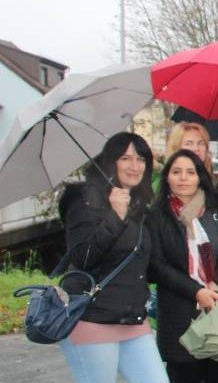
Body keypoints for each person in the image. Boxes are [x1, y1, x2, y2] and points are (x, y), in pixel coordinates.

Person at [57, 132, 168, 383]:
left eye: (141, 159)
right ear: (110, 161)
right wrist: (115, 216)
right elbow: (83, 256)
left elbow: (148, 266)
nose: (135, 166)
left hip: (132, 319)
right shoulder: (83, 199)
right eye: (125, 158)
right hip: (92, 319)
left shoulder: (138, 206)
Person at [148, 149, 218, 382]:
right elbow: (156, 265)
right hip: (179, 313)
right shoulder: (157, 215)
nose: (183, 178)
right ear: (167, 177)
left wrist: (215, 283)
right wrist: (197, 291)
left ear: (200, 176)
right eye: (176, 172)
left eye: (190, 172)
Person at [165, 122, 218, 188]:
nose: (196, 148)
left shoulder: (207, 177)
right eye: (188, 143)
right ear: (176, 148)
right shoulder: (170, 182)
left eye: (201, 143)